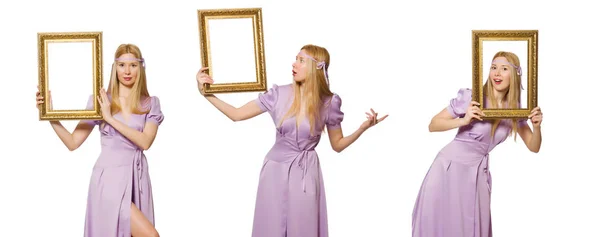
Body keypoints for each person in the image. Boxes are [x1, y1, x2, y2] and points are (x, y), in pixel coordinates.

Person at [196, 44, 388, 237]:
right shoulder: (278, 94)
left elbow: (337, 145)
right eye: (296, 58)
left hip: (306, 173)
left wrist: (362, 129)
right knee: (270, 227)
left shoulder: (329, 102)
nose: (294, 64)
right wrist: (207, 94)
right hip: (274, 171)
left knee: (303, 228)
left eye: (301, 60)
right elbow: (237, 114)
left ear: (315, 67)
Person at [36, 44, 163, 237]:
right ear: (114, 67)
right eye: (121, 65)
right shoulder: (101, 101)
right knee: (150, 235)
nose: (127, 71)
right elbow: (72, 142)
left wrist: (110, 118)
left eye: (133, 65)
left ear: (141, 67)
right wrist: (50, 115)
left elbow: (145, 142)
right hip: (108, 179)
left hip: (137, 177)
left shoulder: (150, 103)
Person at [411, 51, 543, 237]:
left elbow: (534, 146)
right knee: (441, 226)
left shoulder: (514, 111)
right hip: (448, 168)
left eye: (504, 68)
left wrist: (536, 127)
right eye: (493, 67)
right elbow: (433, 125)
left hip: (477, 174)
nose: (497, 73)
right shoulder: (473, 98)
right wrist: (463, 121)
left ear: (514, 74)